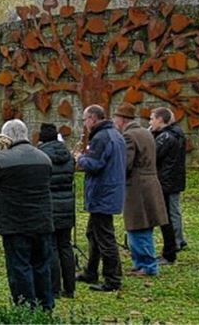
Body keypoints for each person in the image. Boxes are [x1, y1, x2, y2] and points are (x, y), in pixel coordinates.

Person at [0, 120, 55, 311]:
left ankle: (25, 308)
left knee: (19, 267)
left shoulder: (0, 159)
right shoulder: (44, 158)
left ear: (7, 137)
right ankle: (46, 306)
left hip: (15, 222)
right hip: (42, 220)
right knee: (42, 266)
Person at [75, 105, 125, 292]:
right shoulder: (115, 134)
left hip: (102, 192)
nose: (85, 123)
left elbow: (95, 164)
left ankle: (113, 279)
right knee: (93, 233)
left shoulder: (101, 137)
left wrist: (80, 158)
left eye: (85, 119)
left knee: (105, 237)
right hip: (110, 190)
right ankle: (91, 271)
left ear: (94, 119)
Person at [113, 103, 168, 277]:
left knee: (138, 225)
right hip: (150, 182)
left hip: (137, 186)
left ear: (121, 120)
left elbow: (126, 164)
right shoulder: (145, 132)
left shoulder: (129, 136)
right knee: (144, 225)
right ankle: (141, 263)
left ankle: (148, 265)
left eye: (115, 118)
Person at [36, 123, 76, 299]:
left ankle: (54, 288)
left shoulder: (42, 156)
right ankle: (70, 287)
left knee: (51, 247)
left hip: (50, 204)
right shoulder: (68, 155)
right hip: (67, 204)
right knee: (65, 246)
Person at [150, 107, 186, 263]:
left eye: (152, 119)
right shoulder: (177, 134)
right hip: (173, 180)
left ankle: (170, 250)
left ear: (160, 119)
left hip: (165, 181)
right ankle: (176, 244)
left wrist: (150, 134)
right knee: (172, 214)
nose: (150, 122)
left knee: (167, 218)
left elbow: (152, 155)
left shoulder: (165, 137)